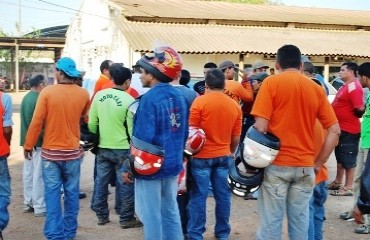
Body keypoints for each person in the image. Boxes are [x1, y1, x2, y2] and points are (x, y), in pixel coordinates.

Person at [251, 44, 340, 240]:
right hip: (305, 167)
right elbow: (335, 131)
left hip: (276, 165)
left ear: (276, 65)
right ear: (301, 65)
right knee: (300, 225)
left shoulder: (271, 83)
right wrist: (318, 163)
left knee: (271, 224)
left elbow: (261, 127)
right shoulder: (315, 88)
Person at [123, 45, 188, 240]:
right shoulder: (180, 96)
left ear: (153, 74)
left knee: (150, 215)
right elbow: (183, 133)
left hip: (151, 167)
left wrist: (129, 167)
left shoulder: (148, 99)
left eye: (142, 72)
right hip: (173, 164)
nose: (140, 76)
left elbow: (142, 139)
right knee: (170, 210)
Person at [23, 57, 90, 240]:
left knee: (52, 197)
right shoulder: (83, 94)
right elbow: (85, 119)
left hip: (50, 156)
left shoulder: (47, 93)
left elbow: (37, 122)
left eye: (56, 71)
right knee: (71, 195)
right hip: (73, 154)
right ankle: (69, 234)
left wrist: (29, 145)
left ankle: (54, 235)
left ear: (60, 72)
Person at [187, 68, 242, 240]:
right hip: (224, 155)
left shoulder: (199, 102)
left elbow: (192, 132)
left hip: (201, 157)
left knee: (198, 197)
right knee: (223, 196)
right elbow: (236, 137)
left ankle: (196, 234)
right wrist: (231, 151)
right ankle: (222, 233)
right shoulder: (234, 105)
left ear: (206, 84)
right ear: (223, 84)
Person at [88, 63, 142, 229]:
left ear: (111, 79)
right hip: (123, 149)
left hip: (103, 147)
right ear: (127, 81)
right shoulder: (130, 100)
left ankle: (102, 215)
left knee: (101, 182)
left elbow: (92, 123)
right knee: (126, 183)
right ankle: (126, 218)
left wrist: (99, 137)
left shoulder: (99, 96)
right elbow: (133, 129)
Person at [342, 62, 370, 234]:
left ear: (365, 77)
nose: (358, 80)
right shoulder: (368, 94)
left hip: (369, 144)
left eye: (360, 77)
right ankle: (357, 211)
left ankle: (368, 221)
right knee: (359, 180)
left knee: (369, 183)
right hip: (364, 141)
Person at [329, 62, 364, 196]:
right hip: (340, 128)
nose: (340, 72)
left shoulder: (354, 87)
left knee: (348, 158)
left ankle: (348, 187)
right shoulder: (346, 86)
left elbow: (359, 108)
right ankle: (338, 181)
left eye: (343, 70)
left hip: (349, 129)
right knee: (340, 157)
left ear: (351, 72)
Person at [171, 70, 197, 238]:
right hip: (186, 148)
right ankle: (184, 228)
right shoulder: (192, 94)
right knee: (183, 191)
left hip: (165, 150)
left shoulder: (160, 93)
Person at [20, 74, 46, 217]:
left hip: (27, 142)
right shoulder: (38, 99)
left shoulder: (26, 98)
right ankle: (39, 206)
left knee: (29, 173)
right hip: (37, 142)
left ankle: (28, 202)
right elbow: (37, 124)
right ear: (40, 84)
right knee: (38, 175)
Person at [0, 79, 13, 240]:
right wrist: (7, 144)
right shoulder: (4, 98)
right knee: (2, 192)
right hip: (0, 153)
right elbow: (7, 128)